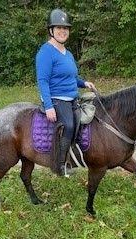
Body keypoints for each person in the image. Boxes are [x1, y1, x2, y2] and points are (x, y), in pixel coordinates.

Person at [36, 8, 96, 176]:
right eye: (58, 28)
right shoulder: (46, 52)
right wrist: (48, 106)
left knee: (86, 122)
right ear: (51, 30)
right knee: (69, 126)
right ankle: (60, 165)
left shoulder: (67, 53)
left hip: (72, 97)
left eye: (65, 28)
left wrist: (84, 83)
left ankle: (77, 155)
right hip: (57, 99)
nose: (63, 31)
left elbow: (71, 77)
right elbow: (43, 81)